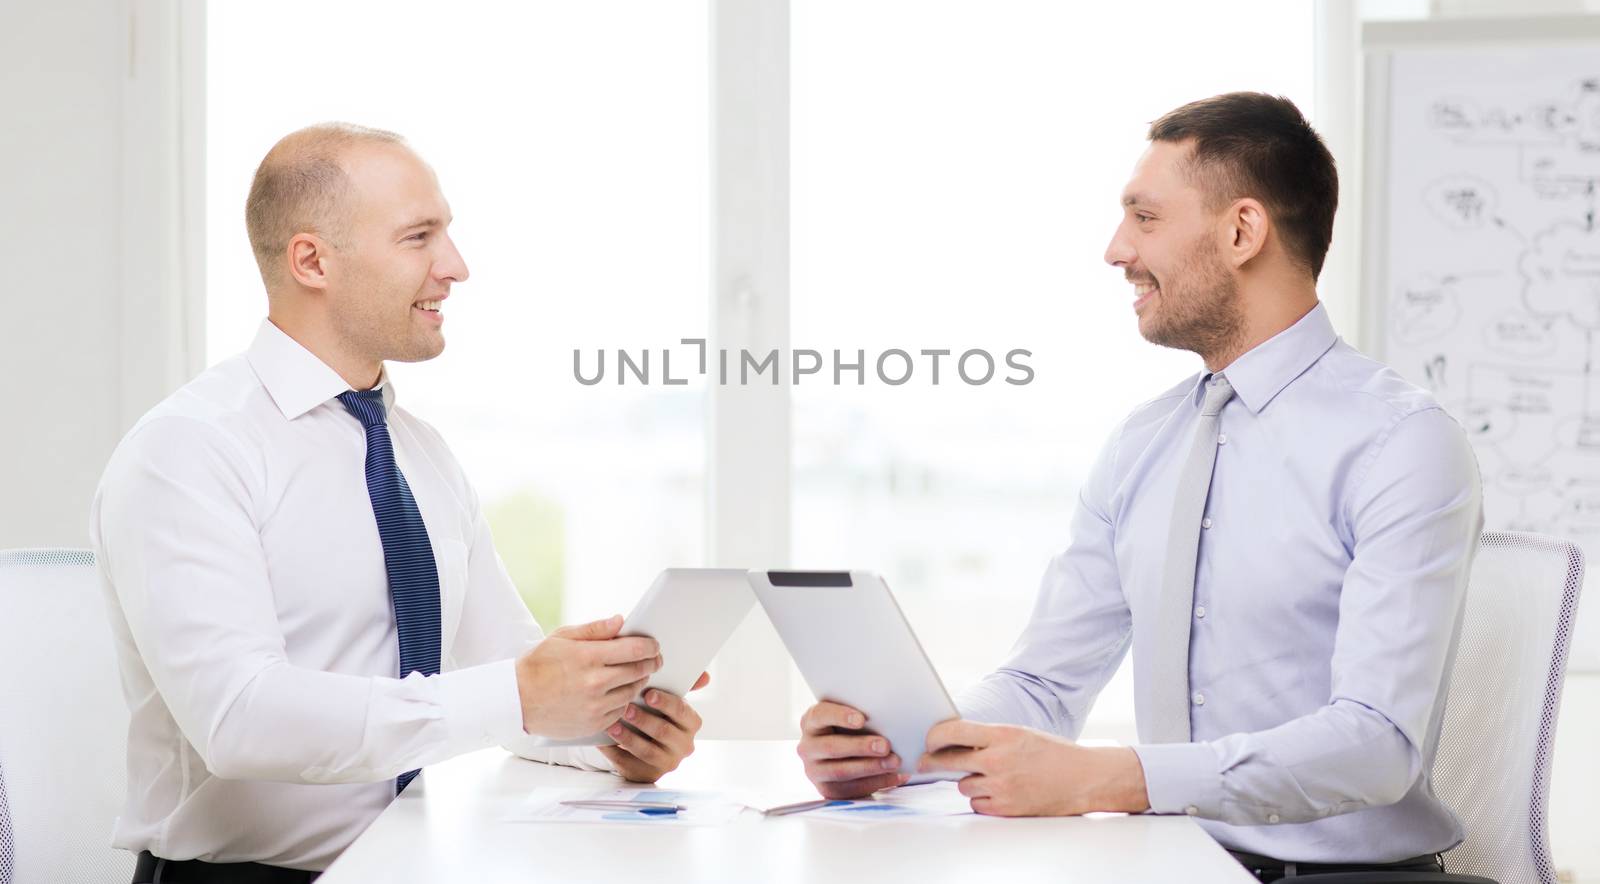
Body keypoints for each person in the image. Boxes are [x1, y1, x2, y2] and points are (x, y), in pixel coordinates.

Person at [795, 93, 1483, 880]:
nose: (1116, 250)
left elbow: (1374, 745)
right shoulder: (1144, 443)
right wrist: (904, 745)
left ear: (1241, 232)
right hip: (1170, 863)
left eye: (1145, 218)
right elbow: (1043, 683)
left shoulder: (1400, 443)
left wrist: (1108, 777)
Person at [92, 123, 707, 882]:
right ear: (312, 260)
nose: (456, 267)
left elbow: (501, 674)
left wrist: (602, 727)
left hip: (421, 866)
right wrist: (518, 693)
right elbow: (240, 720)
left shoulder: (420, 453)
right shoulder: (189, 452)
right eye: (420, 237)